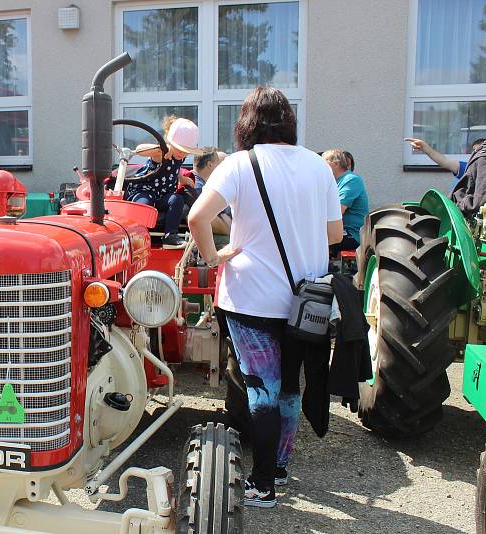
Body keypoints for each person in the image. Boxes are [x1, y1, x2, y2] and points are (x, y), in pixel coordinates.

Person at [188, 86, 343, 509]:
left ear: (246, 123)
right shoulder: (318, 166)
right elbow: (335, 234)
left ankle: (262, 486)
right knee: (290, 387)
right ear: (289, 120)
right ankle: (278, 468)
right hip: (304, 302)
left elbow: (197, 216)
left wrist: (214, 255)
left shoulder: (239, 164)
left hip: (250, 297)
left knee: (262, 389)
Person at [124, 116, 201, 248]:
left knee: (177, 199)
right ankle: (137, 237)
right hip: (145, 191)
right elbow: (140, 149)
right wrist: (160, 148)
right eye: (179, 149)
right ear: (170, 143)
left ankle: (170, 236)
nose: (182, 154)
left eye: (186, 152)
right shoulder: (161, 154)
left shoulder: (179, 157)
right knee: (144, 205)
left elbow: (174, 170)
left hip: (162, 195)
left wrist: (182, 179)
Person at [322, 149, 369, 253]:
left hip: (352, 234)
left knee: (309, 238)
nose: (321, 167)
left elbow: (337, 211)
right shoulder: (333, 181)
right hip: (339, 230)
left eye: (324, 163)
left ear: (335, 164)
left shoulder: (351, 180)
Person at [405, 137, 486, 190]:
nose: (477, 155)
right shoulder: (467, 169)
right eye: (474, 152)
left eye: (481, 152)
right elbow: (444, 162)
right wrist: (426, 148)